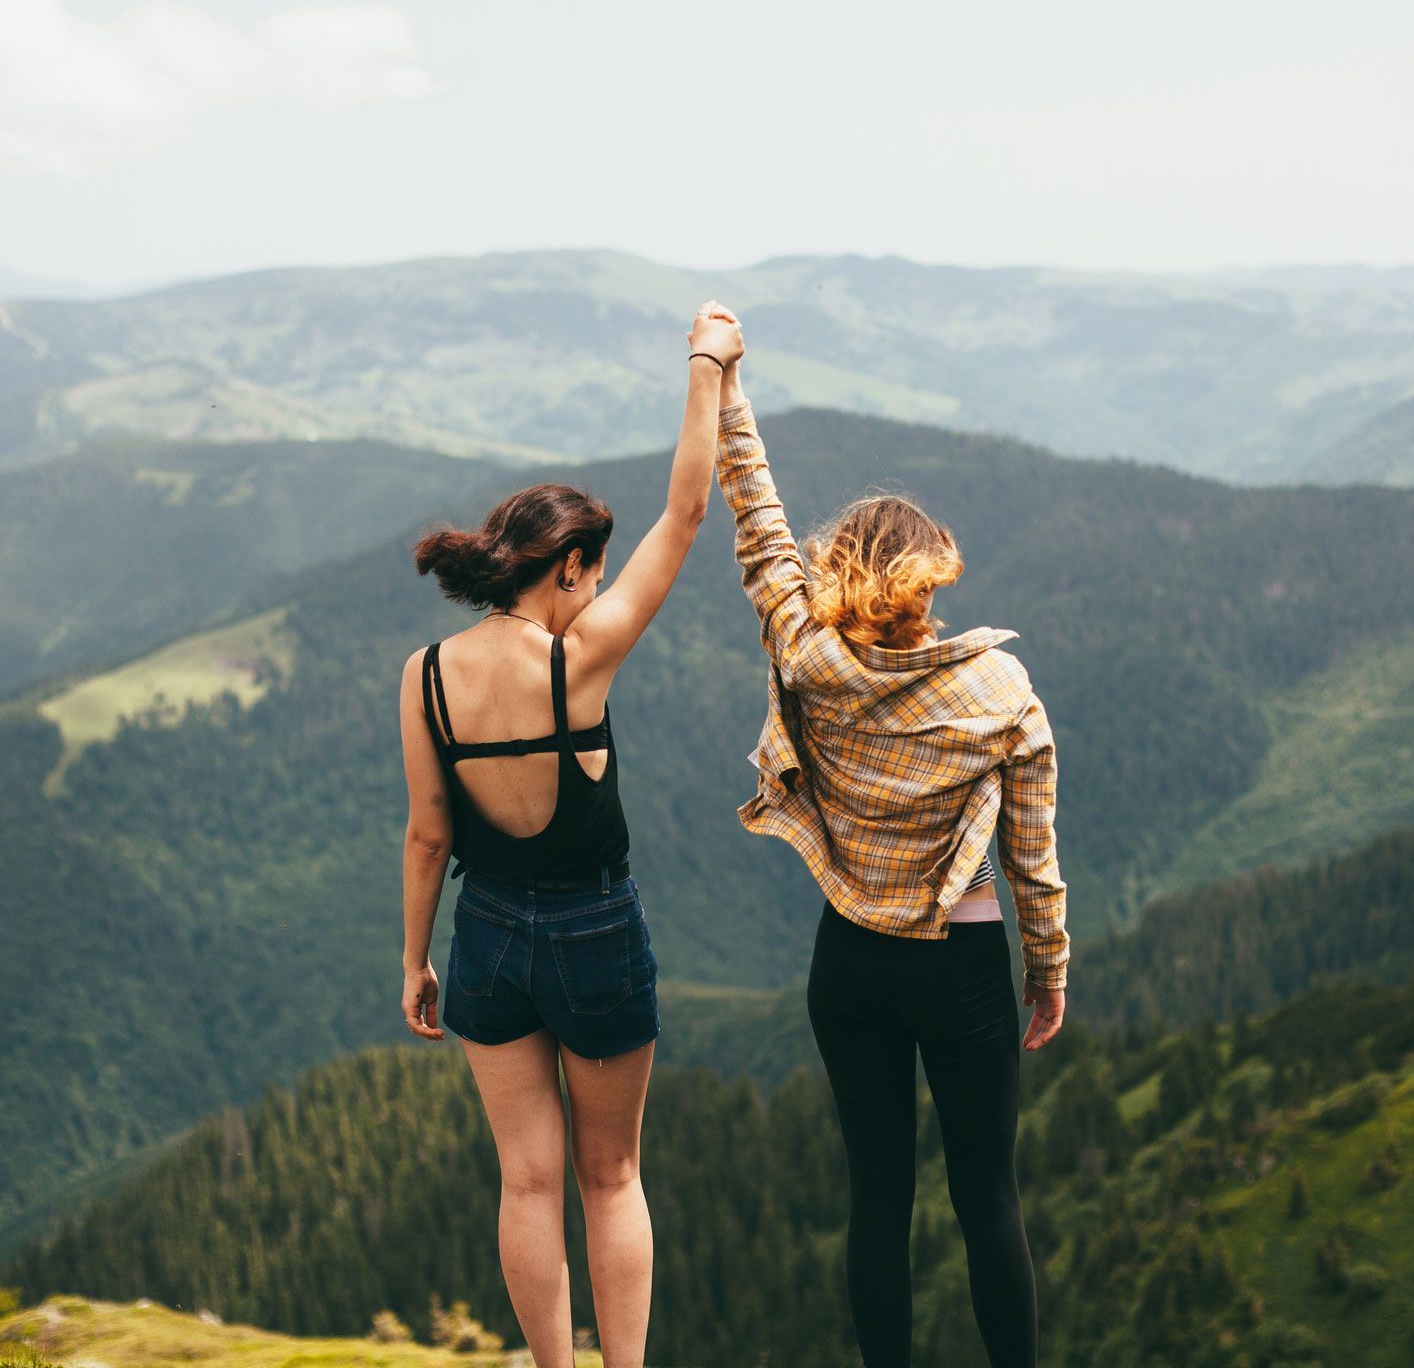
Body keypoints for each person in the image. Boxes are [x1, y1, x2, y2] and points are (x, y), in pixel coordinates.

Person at [397, 301, 744, 1368]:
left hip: (486, 941)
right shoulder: (575, 661)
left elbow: (425, 836)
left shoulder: (425, 676)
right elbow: (685, 515)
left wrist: (415, 960)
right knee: (611, 1177)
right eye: (588, 573)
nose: (591, 591)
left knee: (528, 1181)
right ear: (567, 568)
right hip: (595, 933)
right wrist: (707, 365)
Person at [712, 342, 1069, 1368]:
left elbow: (758, 522)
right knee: (986, 1196)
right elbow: (1032, 862)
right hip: (960, 971)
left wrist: (726, 385)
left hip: (850, 961)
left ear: (842, 574)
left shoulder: (807, 655)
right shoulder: (1001, 693)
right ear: (932, 576)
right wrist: (1045, 974)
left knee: (878, 1196)